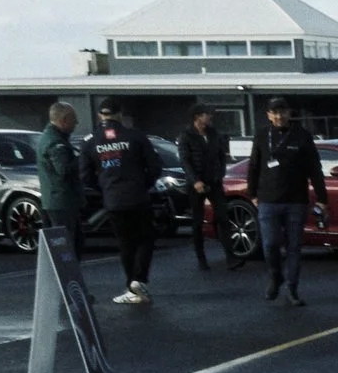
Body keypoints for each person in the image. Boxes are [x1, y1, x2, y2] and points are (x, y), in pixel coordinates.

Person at [80, 99, 163, 305]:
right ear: (119, 114)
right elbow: (155, 166)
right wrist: (143, 184)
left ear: (100, 115)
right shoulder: (135, 135)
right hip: (138, 196)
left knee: (126, 243)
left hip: (113, 199)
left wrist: (104, 189)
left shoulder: (89, 141)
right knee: (146, 238)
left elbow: (85, 175)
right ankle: (138, 280)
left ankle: (131, 286)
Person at [245, 97, 326, 306]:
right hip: (268, 200)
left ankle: (292, 287)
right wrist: (252, 194)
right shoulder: (262, 136)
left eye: (283, 112)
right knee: (270, 244)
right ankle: (275, 276)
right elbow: (254, 165)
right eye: (275, 112)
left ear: (289, 113)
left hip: (296, 200)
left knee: (294, 247)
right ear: (269, 115)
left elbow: (315, 169)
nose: (279, 116)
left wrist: (322, 198)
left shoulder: (302, 136)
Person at [176, 105, 233, 271]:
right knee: (197, 221)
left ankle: (230, 256)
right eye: (206, 115)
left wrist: (221, 173)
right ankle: (201, 258)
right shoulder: (186, 136)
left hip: (214, 181)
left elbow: (221, 155)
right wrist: (195, 181)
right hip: (196, 184)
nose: (209, 117)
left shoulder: (214, 134)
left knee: (223, 216)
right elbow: (185, 160)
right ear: (197, 117)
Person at [35, 102, 82, 239]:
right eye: (74, 119)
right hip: (62, 202)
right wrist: (83, 160)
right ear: (64, 120)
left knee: (64, 243)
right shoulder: (56, 142)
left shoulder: (49, 137)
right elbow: (64, 169)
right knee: (67, 245)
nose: (76, 123)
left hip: (54, 200)